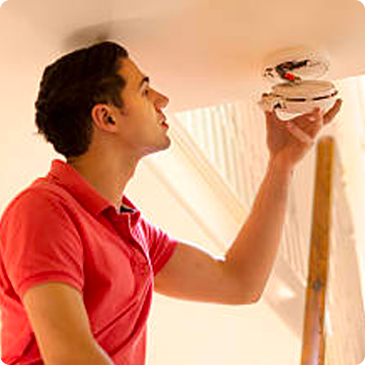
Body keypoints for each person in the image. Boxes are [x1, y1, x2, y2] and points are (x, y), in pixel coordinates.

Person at [0, 41, 342, 365]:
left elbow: (240, 282)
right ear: (107, 118)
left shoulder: (131, 232)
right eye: (144, 90)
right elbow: (70, 356)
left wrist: (281, 165)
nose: (162, 99)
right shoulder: (42, 210)